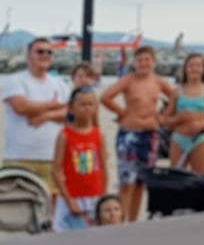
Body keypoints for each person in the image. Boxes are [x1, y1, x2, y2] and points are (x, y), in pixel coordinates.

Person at [100, 45, 175, 222]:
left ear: (153, 62)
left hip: (150, 135)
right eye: (140, 60)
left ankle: (133, 222)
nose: (143, 63)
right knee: (127, 183)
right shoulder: (128, 80)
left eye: (147, 59)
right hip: (130, 134)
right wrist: (122, 112)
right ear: (135, 63)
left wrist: (163, 116)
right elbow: (105, 97)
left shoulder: (158, 81)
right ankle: (119, 220)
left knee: (141, 182)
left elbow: (175, 97)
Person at [2, 38, 70, 194]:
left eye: (49, 52)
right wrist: (52, 105)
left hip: (54, 157)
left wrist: (45, 116)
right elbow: (21, 106)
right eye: (40, 51)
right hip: (19, 157)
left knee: (53, 206)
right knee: (19, 207)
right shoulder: (15, 80)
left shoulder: (60, 84)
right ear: (28, 56)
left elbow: (71, 112)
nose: (45, 55)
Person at [51, 87, 108, 231]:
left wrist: (103, 197)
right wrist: (69, 201)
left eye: (90, 104)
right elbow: (55, 171)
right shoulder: (64, 135)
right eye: (82, 104)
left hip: (94, 196)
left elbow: (104, 168)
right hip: (71, 196)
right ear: (71, 108)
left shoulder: (98, 135)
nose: (87, 108)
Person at [163, 53, 204, 174]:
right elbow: (164, 119)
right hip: (178, 138)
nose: (194, 69)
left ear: (203, 69)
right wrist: (178, 118)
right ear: (185, 68)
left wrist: (202, 125)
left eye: (198, 66)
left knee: (198, 178)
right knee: (176, 178)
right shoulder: (177, 91)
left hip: (199, 139)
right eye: (191, 65)